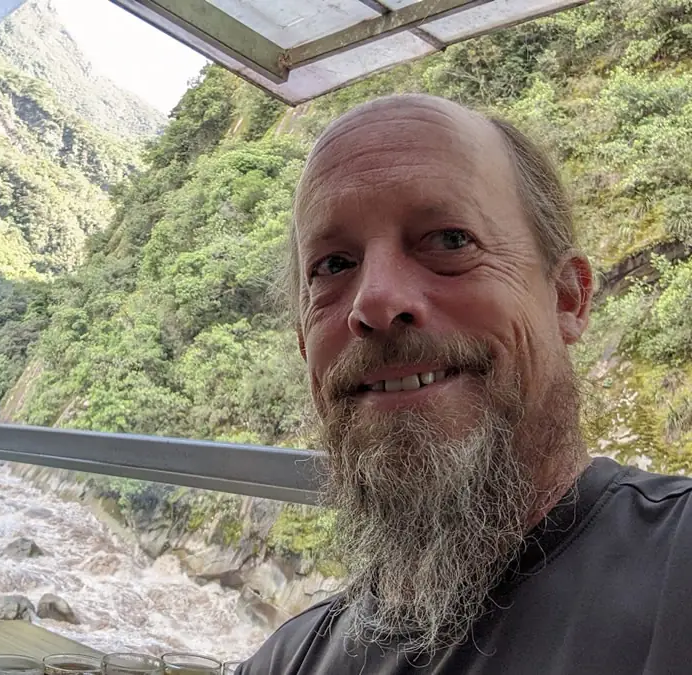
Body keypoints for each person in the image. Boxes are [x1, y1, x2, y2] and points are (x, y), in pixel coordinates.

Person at [241, 93, 692, 673]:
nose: (375, 302)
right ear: (306, 345)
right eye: (333, 266)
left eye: (450, 240)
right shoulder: (286, 662)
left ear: (567, 298)